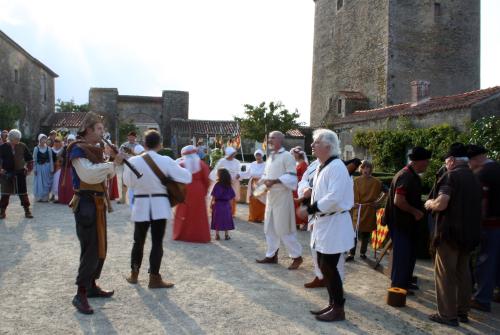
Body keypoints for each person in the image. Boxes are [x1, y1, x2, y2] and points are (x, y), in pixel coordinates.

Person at [68, 112, 126, 315]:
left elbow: (107, 175)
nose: (103, 132)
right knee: (90, 249)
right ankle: (80, 294)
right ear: (89, 129)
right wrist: (112, 163)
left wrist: (111, 160)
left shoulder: (95, 149)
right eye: (100, 128)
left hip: (98, 204)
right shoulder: (76, 149)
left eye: (103, 128)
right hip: (85, 204)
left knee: (101, 246)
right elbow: (89, 174)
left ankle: (91, 286)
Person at [297, 129, 355, 322]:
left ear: (328, 146)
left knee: (329, 266)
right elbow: (318, 192)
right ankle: (333, 303)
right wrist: (308, 205)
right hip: (325, 222)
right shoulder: (323, 166)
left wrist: (310, 209)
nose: (312, 145)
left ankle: (338, 308)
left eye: (316, 142)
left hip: (335, 222)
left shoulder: (337, 167)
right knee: (324, 265)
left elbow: (334, 197)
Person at [124, 130, 192, 289]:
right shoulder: (166, 160)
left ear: (144, 143)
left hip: (141, 205)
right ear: (160, 144)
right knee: (157, 243)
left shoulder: (133, 161)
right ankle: (154, 278)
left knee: (138, 241)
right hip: (160, 205)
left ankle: (134, 275)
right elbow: (187, 177)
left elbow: (128, 183)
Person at [424, 143, 482, 326]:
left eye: (446, 161)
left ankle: (447, 315)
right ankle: (462, 312)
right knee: (463, 273)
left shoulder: (451, 177)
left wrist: (429, 203)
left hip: (449, 234)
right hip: (468, 234)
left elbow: (442, 203)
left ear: (451, 161)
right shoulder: (474, 178)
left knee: (445, 275)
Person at [384, 146, 431, 294]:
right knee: (402, 256)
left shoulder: (411, 174)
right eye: (426, 161)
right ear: (418, 162)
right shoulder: (406, 176)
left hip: (407, 224)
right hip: (401, 223)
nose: (427, 164)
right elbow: (399, 201)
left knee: (409, 254)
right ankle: (398, 286)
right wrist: (415, 211)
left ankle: (405, 281)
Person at [256, 131, 303, 270]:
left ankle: (297, 256)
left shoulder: (287, 156)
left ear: (280, 140)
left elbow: (292, 178)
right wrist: (260, 184)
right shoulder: (270, 157)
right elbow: (265, 174)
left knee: (284, 228)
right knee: (269, 227)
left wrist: (275, 181)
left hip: (283, 196)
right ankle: (271, 255)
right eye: (269, 138)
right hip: (271, 196)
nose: (270, 140)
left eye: (272, 138)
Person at [467, 144, 500, 313]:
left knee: (485, 261)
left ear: (475, 159)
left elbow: (483, 202)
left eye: (469, 161)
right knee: (497, 261)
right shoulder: (497, 167)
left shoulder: (483, 173)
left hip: (490, 224)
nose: (468, 165)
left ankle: (481, 299)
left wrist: (477, 225)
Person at [347, 161, 386, 260]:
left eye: (368, 168)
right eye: (364, 167)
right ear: (361, 169)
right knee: (353, 233)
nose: (366, 170)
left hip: (369, 210)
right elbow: (347, 193)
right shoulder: (355, 181)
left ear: (371, 169)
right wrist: (351, 202)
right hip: (357, 209)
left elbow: (387, 191)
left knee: (365, 233)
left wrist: (378, 202)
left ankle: (362, 253)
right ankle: (351, 253)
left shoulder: (377, 182)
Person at [173, 145, 211, 243]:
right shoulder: (202, 164)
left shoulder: (181, 165)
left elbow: (176, 180)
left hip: (184, 189)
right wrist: (204, 191)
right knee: (199, 213)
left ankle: (182, 234)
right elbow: (207, 180)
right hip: (198, 189)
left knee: (183, 211)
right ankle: (200, 236)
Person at [0, 129, 34, 219]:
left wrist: (29, 169)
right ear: (11, 138)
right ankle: (2, 211)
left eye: (19, 138)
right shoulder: (3, 147)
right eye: (16, 138)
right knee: (5, 194)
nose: (18, 140)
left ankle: (27, 210)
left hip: (20, 173)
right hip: (6, 174)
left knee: (23, 193)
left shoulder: (22, 146)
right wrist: (1, 169)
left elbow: (30, 159)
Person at [210, 147, 241, 215]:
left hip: (234, 181)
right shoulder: (222, 161)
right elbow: (217, 170)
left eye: (234, 154)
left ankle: (231, 212)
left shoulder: (237, 162)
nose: (233, 155)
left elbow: (239, 171)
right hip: (223, 182)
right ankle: (218, 210)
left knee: (232, 196)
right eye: (231, 154)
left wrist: (239, 175)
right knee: (221, 196)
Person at [211, 168, 236, 240]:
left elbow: (214, 195)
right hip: (226, 204)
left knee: (217, 219)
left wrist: (211, 203)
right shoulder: (228, 185)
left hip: (218, 204)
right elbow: (231, 197)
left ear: (220, 175)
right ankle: (226, 235)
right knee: (226, 219)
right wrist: (231, 205)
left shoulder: (217, 184)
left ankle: (217, 235)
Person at [117, 131, 139, 204]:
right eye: (130, 136)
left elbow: (140, 155)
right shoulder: (124, 145)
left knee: (135, 182)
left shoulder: (138, 146)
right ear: (128, 137)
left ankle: (136, 198)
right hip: (126, 165)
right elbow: (119, 154)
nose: (131, 138)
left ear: (135, 137)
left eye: (133, 136)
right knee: (124, 181)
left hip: (135, 166)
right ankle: (123, 198)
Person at [246, 149, 266, 223]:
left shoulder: (266, 164)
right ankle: (253, 216)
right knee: (253, 199)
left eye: (259, 155)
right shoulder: (252, 164)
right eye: (256, 155)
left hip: (261, 184)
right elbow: (247, 173)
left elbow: (266, 175)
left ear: (262, 156)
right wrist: (240, 175)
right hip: (253, 184)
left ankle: (260, 217)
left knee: (261, 200)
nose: (258, 156)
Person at [291, 146, 309, 229]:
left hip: (299, 186)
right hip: (294, 186)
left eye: (294, 154)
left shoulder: (304, 164)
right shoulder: (298, 164)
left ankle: (302, 222)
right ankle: (296, 222)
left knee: (299, 204)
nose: (293, 155)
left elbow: (305, 177)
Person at [33, 134, 54, 202]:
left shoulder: (49, 149)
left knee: (46, 182)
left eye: (45, 139)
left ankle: (45, 197)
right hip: (39, 167)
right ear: (39, 140)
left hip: (47, 167)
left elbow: (51, 159)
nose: (43, 140)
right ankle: (39, 197)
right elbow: (34, 160)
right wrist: (35, 169)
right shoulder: (36, 148)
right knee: (39, 182)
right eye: (42, 139)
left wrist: (51, 168)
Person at [58, 134, 76, 205]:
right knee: (64, 184)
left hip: (72, 169)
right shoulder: (65, 147)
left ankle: (71, 199)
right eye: (69, 140)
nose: (70, 141)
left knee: (71, 185)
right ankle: (63, 198)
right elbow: (58, 155)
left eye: (72, 140)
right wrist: (62, 159)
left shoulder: (75, 148)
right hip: (65, 169)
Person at [50, 138, 64, 202]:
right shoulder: (51, 150)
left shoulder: (63, 150)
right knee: (52, 181)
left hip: (60, 168)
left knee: (58, 181)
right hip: (53, 167)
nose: (57, 143)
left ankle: (59, 196)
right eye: (55, 142)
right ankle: (52, 195)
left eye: (58, 142)